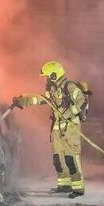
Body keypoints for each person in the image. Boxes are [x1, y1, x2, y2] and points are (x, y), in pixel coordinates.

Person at [13, 61, 89, 198]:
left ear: (55, 75)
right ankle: (64, 185)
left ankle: (78, 188)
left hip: (71, 127)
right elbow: (42, 100)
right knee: (58, 159)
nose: (46, 79)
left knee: (71, 158)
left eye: (47, 76)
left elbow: (82, 101)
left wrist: (69, 113)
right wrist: (22, 101)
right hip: (57, 127)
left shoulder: (69, 86)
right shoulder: (52, 89)